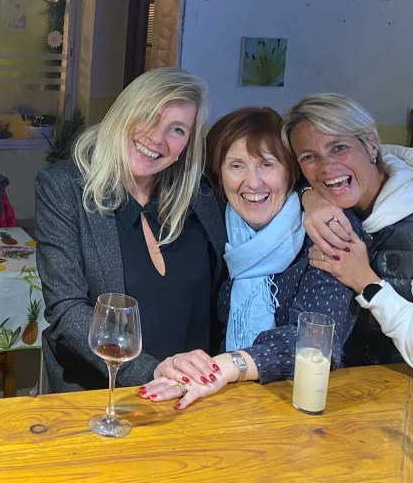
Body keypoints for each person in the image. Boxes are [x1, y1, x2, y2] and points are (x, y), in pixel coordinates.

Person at [139, 107, 364, 408]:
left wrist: (227, 366)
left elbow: (316, 341)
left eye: (267, 165)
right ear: (219, 176)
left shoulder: (328, 228)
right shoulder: (213, 222)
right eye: (236, 166)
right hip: (220, 399)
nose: (253, 183)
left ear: (291, 171)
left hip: (305, 402)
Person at [35, 68, 226, 392]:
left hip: (194, 394)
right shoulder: (64, 188)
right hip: (102, 394)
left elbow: (269, 189)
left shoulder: (201, 195)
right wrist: (152, 371)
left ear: (187, 144)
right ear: (123, 113)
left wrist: (311, 197)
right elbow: (67, 310)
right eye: (149, 116)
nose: (157, 138)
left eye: (177, 129)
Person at [285, 93, 413, 392]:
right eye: (309, 157)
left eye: (339, 148)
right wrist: (309, 195)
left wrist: (366, 282)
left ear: (371, 144)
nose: (326, 168)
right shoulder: (338, 205)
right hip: (365, 391)